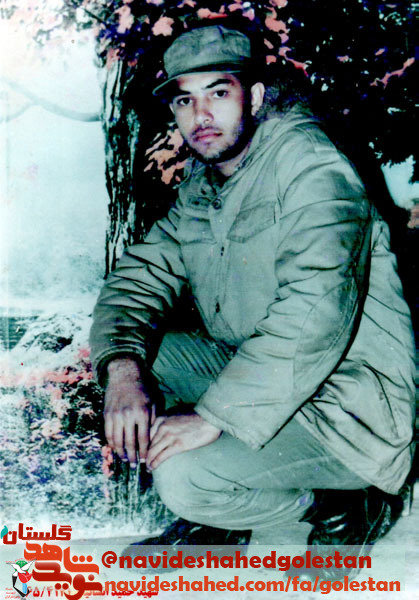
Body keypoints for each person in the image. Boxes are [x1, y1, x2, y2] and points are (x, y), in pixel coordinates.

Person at [89, 24, 415, 575]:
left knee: (183, 478)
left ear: (256, 96)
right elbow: (139, 277)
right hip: (274, 384)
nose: (201, 115)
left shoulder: (312, 166)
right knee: (147, 356)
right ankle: (223, 520)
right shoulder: (206, 184)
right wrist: (122, 368)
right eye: (184, 100)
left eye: (218, 92)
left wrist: (212, 418)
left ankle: (341, 503)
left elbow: (315, 312)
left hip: (349, 407)